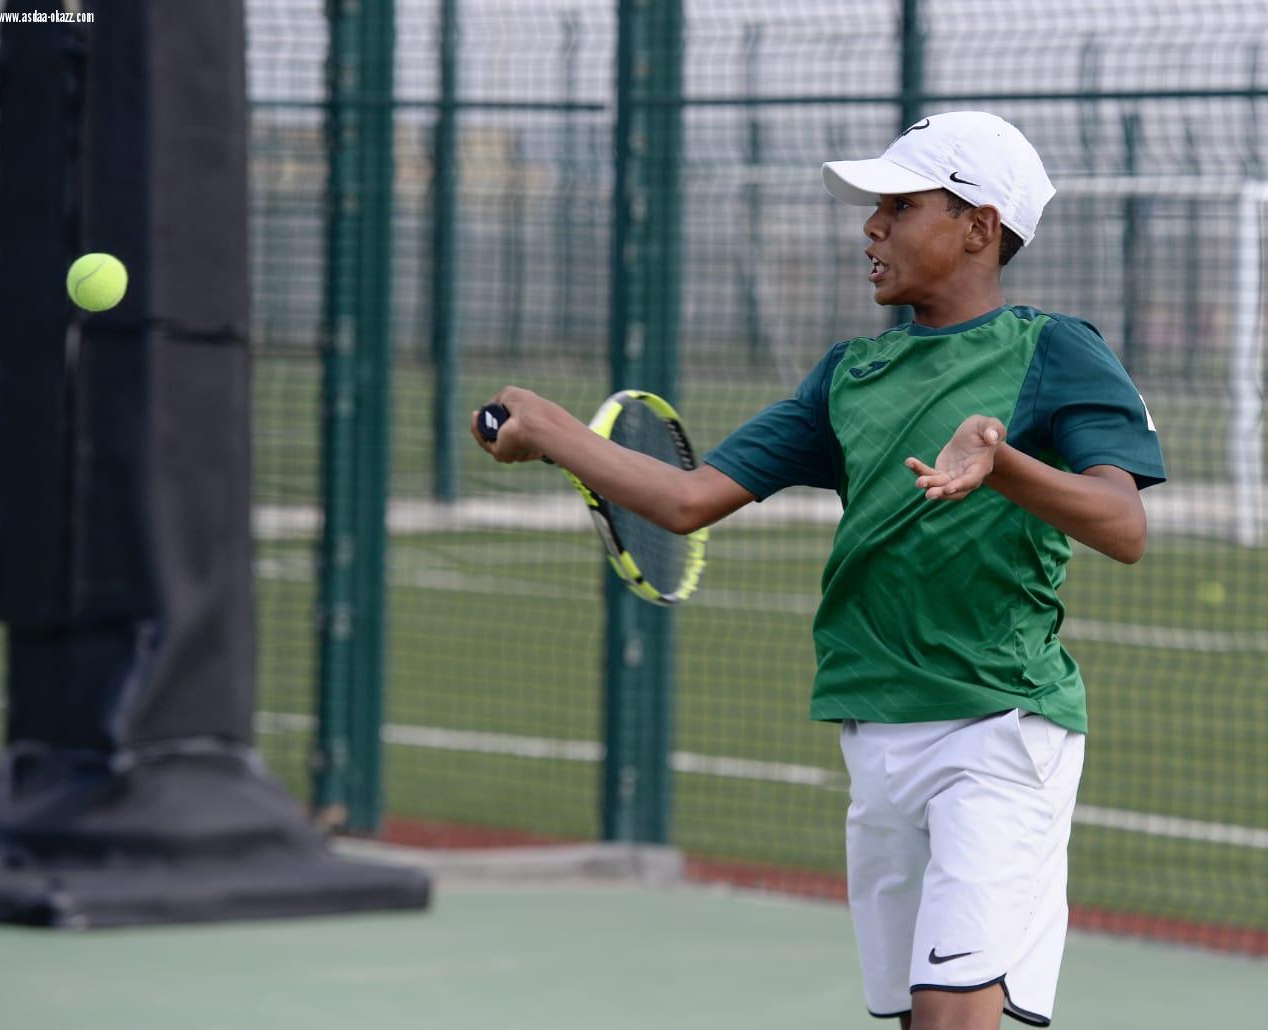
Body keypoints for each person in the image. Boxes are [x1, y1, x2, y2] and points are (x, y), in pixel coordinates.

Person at [470, 111, 1166, 1029]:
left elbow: (1123, 525)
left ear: (979, 227)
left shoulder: (1054, 349)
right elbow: (686, 500)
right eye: (876, 208)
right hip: (873, 730)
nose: (871, 227)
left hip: (1000, 728)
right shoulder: (848, 375)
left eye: (901, 206)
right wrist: (553, 431)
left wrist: (1002, 463)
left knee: (950, 1011)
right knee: (922, 1013)